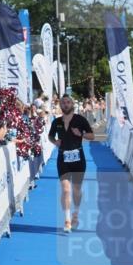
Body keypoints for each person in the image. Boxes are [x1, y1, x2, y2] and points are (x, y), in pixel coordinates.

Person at [49, 94, 95, 232]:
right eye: (63, 103)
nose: (66, 105)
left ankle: (76, 214)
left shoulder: (80, 120)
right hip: (63, 158)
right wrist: (55, 141)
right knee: (66, 189)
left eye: (68, 102)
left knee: (76, 190)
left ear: (72, 104)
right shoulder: (56, 122)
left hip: (78, 159)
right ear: (60, 105)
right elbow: (50, 135)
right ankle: (67, 219)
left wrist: (80, 134)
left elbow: (92, 136)